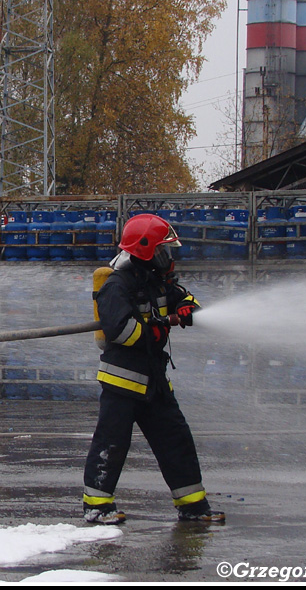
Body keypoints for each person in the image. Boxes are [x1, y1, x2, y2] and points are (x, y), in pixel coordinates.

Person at [82, 213, 223, 524]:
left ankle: (193, 506)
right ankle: (97, 506)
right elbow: (120, 330)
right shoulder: (117, 286)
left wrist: (188, 306)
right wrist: (154, 332)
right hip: (122, 382)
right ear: (146, 252)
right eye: (163, 251)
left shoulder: (158, 283)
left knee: (176, 439)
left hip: (154, 381)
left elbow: (183, 297)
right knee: (112, 444)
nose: (167, 258)